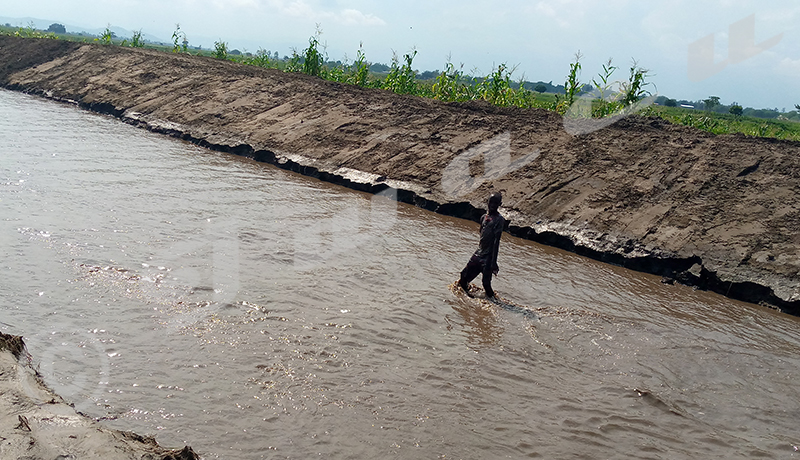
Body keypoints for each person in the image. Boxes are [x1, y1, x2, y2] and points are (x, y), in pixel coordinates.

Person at [459, 192, 505, 298]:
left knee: (486, 283)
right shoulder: (484, 217)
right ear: (487, 202)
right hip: (479, 252)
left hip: (488, 256)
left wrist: (494, 262)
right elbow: (481, 235)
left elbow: (496, 242)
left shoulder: (499, 220)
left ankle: (494, 302)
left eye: (495, 203)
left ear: (500, 204)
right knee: (463, 275)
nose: (492, 205)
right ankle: (467, 298)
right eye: (491, 202)